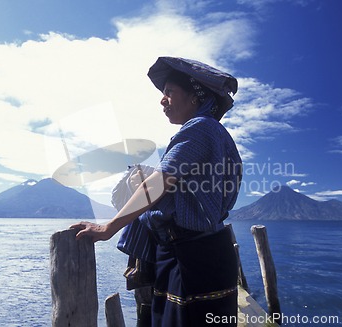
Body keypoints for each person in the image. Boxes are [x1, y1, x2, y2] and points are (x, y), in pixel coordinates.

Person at [70, 57, 243, 326]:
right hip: (197, 252)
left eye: (169, 92)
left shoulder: (200, 128)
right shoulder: (213, 133)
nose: (162, 101)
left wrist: (108, 228)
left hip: (193, 258)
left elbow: (159, 183)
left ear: (195, 96)